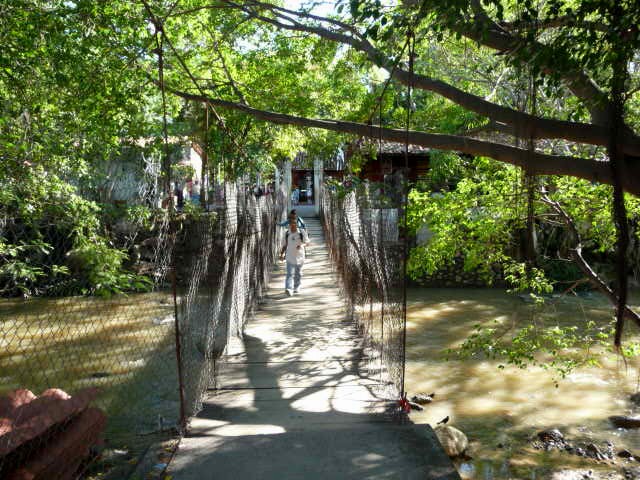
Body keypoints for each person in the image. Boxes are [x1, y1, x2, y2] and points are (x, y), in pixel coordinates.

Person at [280, 218, 309, 296]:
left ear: (297, 224)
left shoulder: (301, 232)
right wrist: (282, 254)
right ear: (289, 225)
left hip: (300, 256)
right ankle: (289, 289)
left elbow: (307, 242)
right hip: (289, 256)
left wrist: (301, 245)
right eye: (291, 224)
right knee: (289, 273)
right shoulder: (286, 233)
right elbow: (284, 245)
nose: (293, 226)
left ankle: (297, 287)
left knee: (298, 273)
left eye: (294, 224)